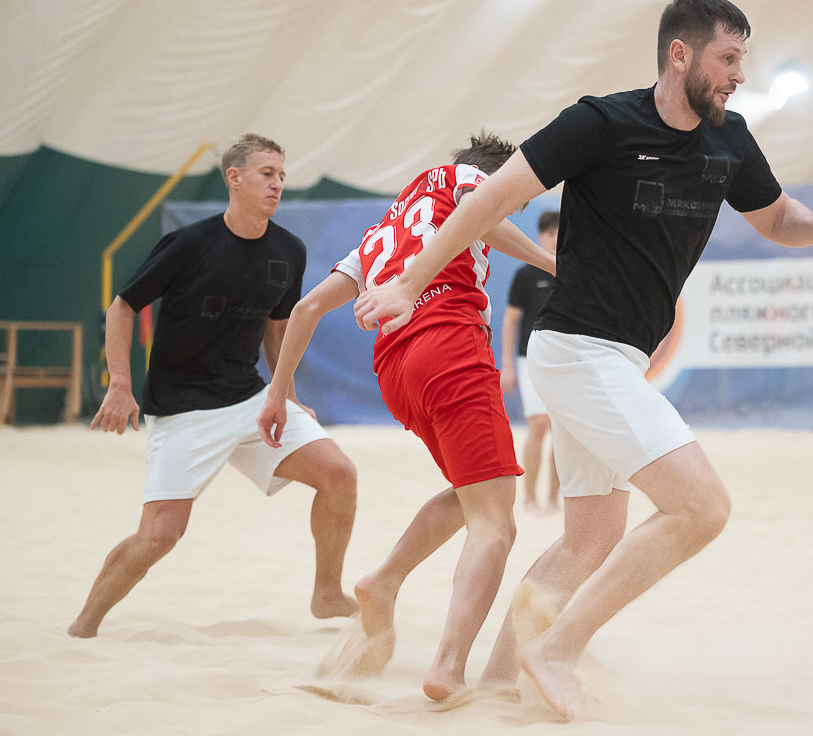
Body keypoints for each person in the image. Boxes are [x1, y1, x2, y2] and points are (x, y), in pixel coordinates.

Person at [354, 0, 813, 720]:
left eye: (742, 60)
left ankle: (499, 680)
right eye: (728, 58)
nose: (739, 75)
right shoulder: (600, 122)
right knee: (702, 506)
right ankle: (557, 649)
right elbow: (489, 201)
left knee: (589, 538)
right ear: (679, 54)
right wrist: (409, 282)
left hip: (617, 358)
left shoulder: (730, 139)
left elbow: (778, 217)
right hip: (575, 348)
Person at [256, 132, 555, 702]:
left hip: (394, 370)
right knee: (497, 524)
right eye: (515, 198)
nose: (511, 208)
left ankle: (385, 579)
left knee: (474, 494)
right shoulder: (468, 180)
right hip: (448, 344)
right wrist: (550, 261)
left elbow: (307, 307)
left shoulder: (379, 234)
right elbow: (482, 207)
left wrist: (277, 394)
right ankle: (448, 667)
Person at [69, 134, 359, 639]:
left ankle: (327, 594)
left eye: (281, 176)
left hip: (249, 398)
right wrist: (120, 384)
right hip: (183, 409)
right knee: (160, 535)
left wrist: (285, 395)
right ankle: (83, 626)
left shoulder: (289, 250)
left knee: (339, 474)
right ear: (235, 178)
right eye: (267, 174)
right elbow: (122, 307)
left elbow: (276, 331)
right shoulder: (188, 244)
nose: (277, 184)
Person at [500, 210, 561, 512]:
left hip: (565, 361)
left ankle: (552, 500)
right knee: (538, 426)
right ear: (540, 236)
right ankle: (529, 498)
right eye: (550, 234)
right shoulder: (526, 275)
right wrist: (507, 365)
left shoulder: (573, 273)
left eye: (560, 233)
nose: (555, 239)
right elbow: (510, 320)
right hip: (530, 360)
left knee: (563, 432)